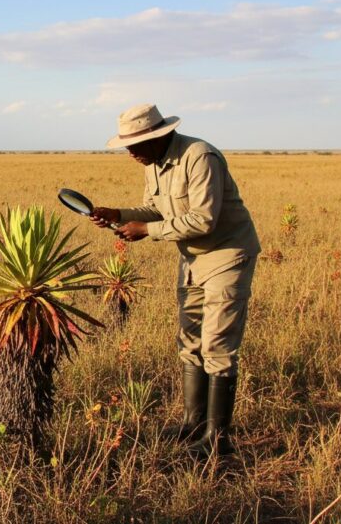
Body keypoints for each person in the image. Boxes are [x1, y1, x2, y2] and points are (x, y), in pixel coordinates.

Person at [91, 103, 260, 457]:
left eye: (137, 143)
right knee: (190, 340)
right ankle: (193, 423)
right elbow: (156, 209)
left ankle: (218, 439)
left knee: (218, 345)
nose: (131, 152)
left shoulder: (200, 157)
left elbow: (203, 219)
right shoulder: (153, 163)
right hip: (193, 259)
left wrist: (147, 231)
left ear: (161, 134)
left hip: (226, 254)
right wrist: (119, 214)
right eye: (127, 145)